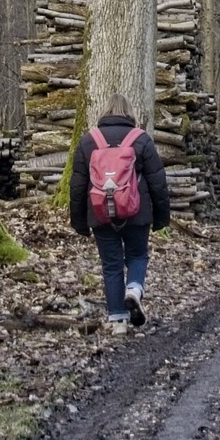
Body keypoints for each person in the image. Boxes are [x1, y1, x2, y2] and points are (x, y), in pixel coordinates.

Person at [68, 94, 172, 334]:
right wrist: (161, 218)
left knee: (111, 265)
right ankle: (134, 289)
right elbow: (158, 182)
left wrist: (79, 222)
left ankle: (118, 323)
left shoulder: (88, 141)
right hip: (137, 213)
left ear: (104, 112)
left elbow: (77, 185)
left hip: (99, 212)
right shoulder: (141, 140)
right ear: (130, 113)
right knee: (137, 255)